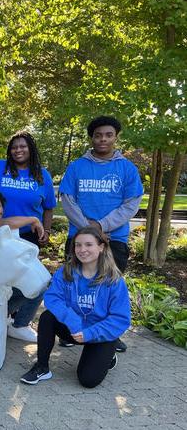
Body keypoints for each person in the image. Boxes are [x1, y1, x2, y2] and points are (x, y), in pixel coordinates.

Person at [59, 116, 142, 353]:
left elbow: (131, 204)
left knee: (109, 288)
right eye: (98, 135)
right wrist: (88, 229)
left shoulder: (126, 168)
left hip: (114, 239)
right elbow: (68, 200)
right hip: (79, 238)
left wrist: (102, 226)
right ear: (92, 138)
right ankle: (68, 331)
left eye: (108, 135)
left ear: (116, 137)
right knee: (73, 285)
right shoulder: (77, 166)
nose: (103, 139)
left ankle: (109, 335)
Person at [20, 227, 130, 387]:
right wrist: (73, 322)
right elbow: (52, 298)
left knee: (88, 380)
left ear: (101, 247)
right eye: (78, 245)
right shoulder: (66, 272)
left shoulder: (114, 281)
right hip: (74, 328)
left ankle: (108, 355)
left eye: (88, 245)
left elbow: (120, 318)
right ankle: (42, 367)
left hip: (99, 333)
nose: (82, 249)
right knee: (47, 318)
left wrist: (90, 333)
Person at [0, 190, 46, 342]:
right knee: (35, 288)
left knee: (39, 287)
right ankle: (19, 325)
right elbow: (9, 223)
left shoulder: (3, 225)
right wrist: (34, 219)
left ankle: (11, 319)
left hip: (0, 277)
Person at [0, 131, 55, 245]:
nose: (18, 150)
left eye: (23, 146)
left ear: (31, 148)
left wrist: (46, 231)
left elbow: (48, 208)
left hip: (30, 235)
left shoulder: (43, 175)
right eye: (14, 147)